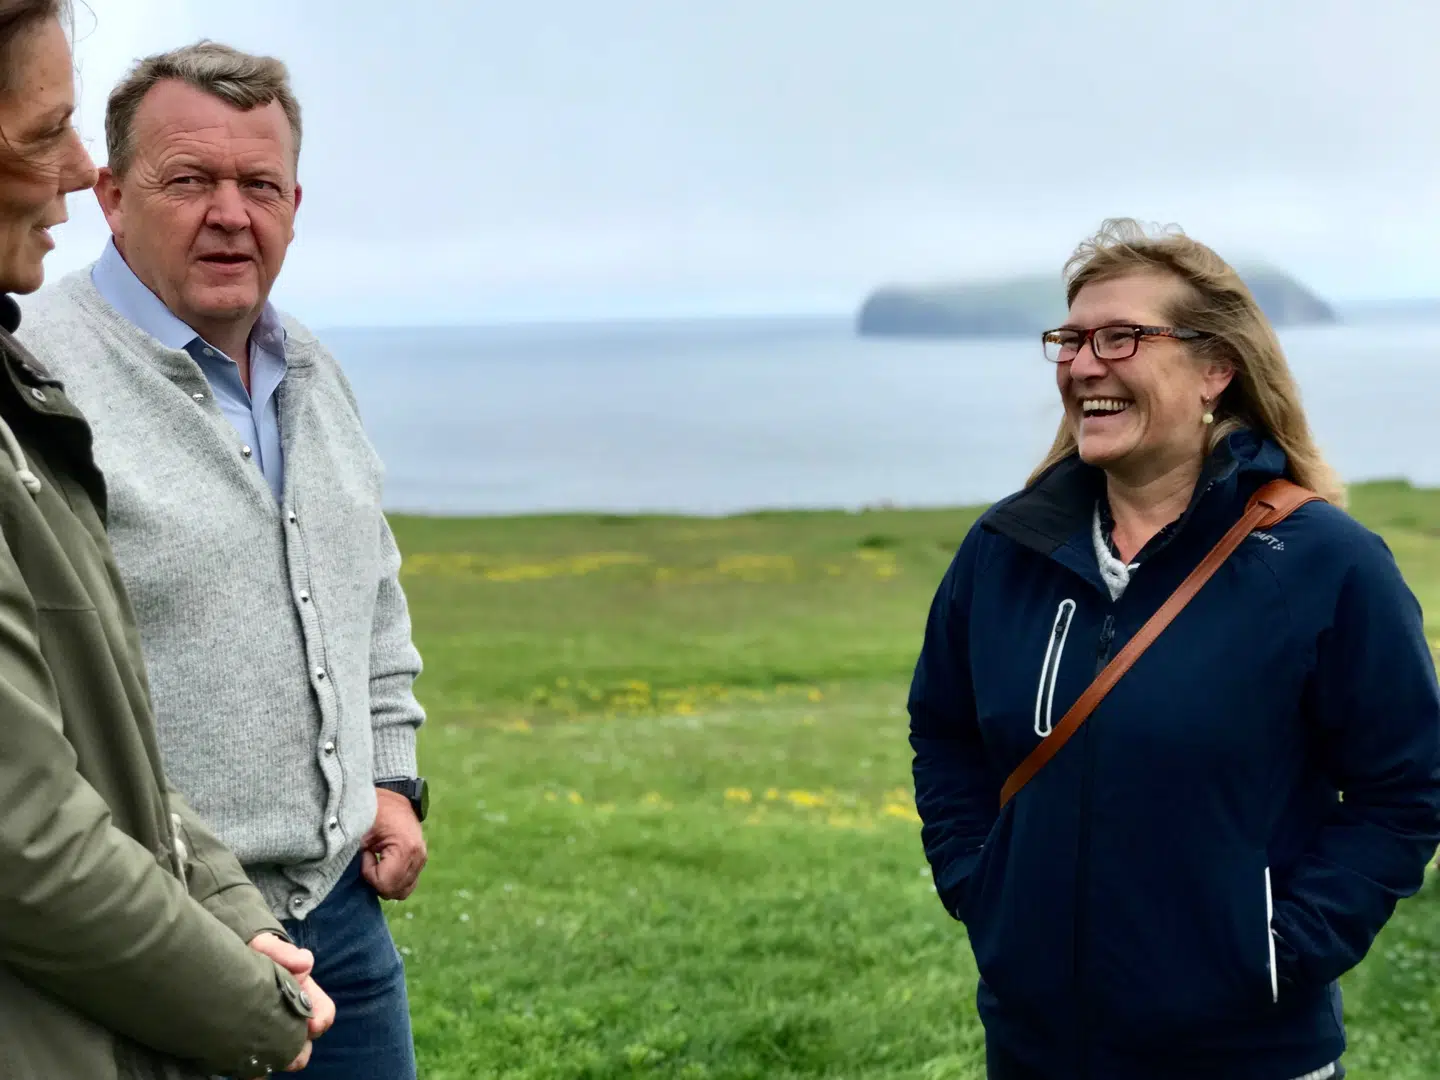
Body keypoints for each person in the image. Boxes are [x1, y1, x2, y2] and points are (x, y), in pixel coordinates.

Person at [907, 218, 1440, 1080]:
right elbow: (944, 729)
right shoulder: (1005, 550)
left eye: (1121, 338)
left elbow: (1406, 787)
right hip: (1036, 1047)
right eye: (1071, 340)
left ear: (1214, 370)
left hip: (1246, 1054)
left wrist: (1279, 950)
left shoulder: (1323, 562)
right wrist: (982, 884)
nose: (1084, 365)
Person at [18, 39, 427, 1079]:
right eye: (188, 181)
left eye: (259, 185)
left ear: (296, 200)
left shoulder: (315, 371)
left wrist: (389, 778)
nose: (231, 214)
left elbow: (369, 591)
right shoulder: (39, 381)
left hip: (343, 924)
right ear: (110, 195)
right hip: (155, 933)